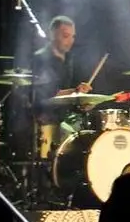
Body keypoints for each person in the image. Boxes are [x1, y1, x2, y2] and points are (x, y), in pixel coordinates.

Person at [29, 15, 93, 159]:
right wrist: (74, 92)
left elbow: (69, 96)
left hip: (64, 117)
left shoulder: (69, 60)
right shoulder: (41, 59)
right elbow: (48, 95)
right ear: (52, 35)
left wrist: (83, 101)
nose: (70, 41)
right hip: (45, 118)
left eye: (73, 36)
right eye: (65, 36)